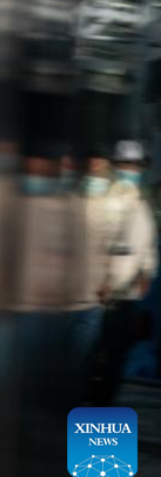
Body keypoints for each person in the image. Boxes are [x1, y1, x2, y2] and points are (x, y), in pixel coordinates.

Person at [90, 140, 159, 403]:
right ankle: (91, 431)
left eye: (136, 165)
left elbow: (147, 244)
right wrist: (102, 279)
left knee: (116, 359)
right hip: (105, 295)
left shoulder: (142, 201)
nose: (131, 170)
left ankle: (101, 429)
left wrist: (146, 272)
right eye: (126, 164)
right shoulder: (105, 201)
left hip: (129, 295)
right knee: (97, 361)